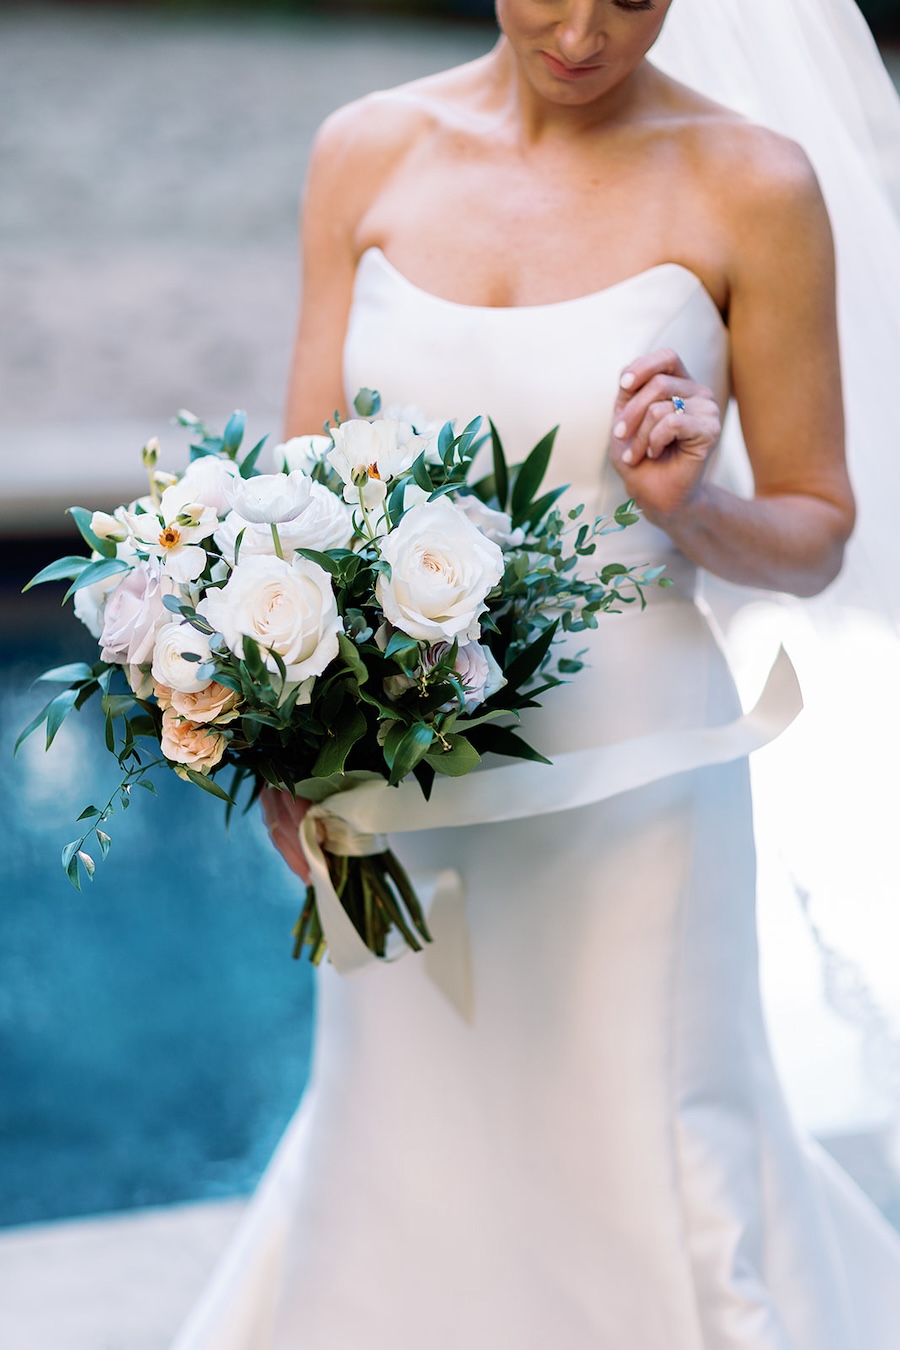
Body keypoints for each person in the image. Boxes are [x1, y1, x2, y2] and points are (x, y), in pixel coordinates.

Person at [172, 3, 900, 1347]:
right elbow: (296, 491)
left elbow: (817, 525)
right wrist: (281, 733)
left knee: (650, 1144)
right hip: (404, 776)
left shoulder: (756, 182)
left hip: (637, 783)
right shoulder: (365, 151)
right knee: (409, 1149)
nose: (581, 32)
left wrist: (697, 507)